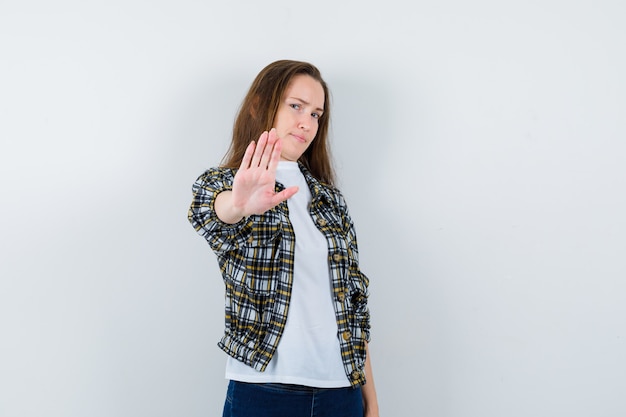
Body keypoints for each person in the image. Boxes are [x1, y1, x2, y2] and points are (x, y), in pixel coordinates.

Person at [188, 60, 379, 417]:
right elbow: (210, 214)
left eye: (317, 114)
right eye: (296, 106)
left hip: (341, 391)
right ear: (261, 104)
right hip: (263, 391)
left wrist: (371, 401)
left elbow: (353, 307)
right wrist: (239, 204)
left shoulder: (331, 201)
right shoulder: (224, 184)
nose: (307, 122)